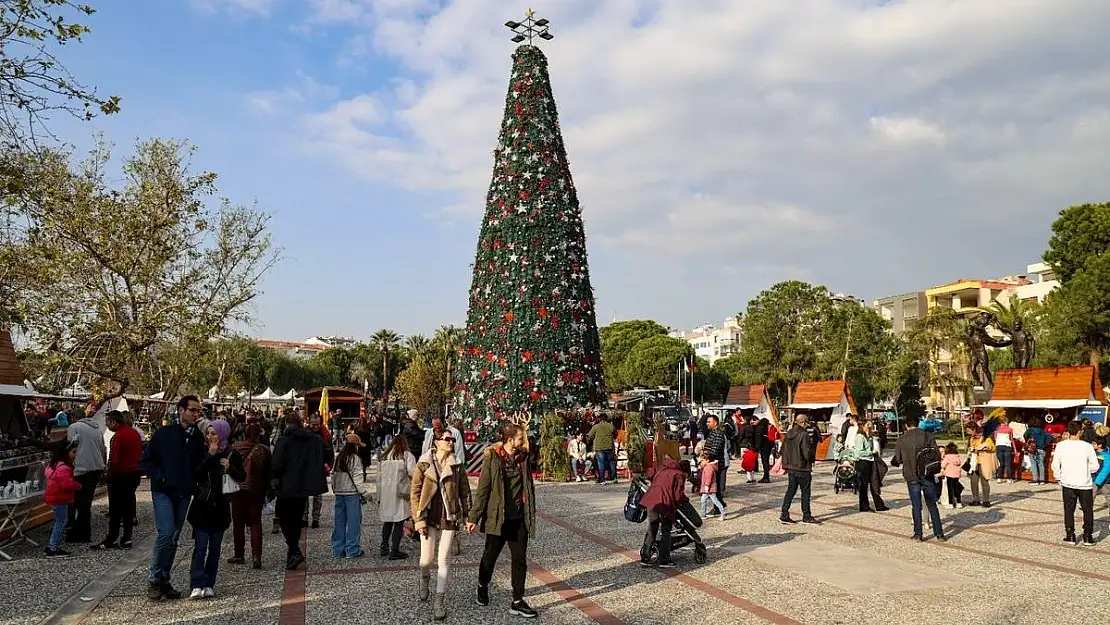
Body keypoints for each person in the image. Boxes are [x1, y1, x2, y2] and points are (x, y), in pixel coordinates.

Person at [466, 423, 538, 619]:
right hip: (498, 517)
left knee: (519, 559)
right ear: (509, 440)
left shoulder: (523, 457)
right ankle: (482, 584)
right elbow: (483, 489)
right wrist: (473, 517)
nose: (524, 441)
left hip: (518, 518)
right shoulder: (493, 457)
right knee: (490, 555)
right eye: (521, 438)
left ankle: (517, 600)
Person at [142, 395, 207, 601]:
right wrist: (159, 476)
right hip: (163, 490)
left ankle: (164, 578)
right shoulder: (165, 433)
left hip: (183, 491)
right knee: (165, 533)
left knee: (174, 537)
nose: (196, 414)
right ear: (181, 410)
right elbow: (147, 460)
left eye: (198, 411)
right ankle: (154, 578)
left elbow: (198, 466)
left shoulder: (197, 437)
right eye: (193, 410)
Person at [411, 427, 471, 621]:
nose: (451, 442)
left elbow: (465, 492)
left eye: (452, 439)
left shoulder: (457, 465)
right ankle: (424, 579)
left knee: (444, 559)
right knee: (426, 560)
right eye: (447, 439)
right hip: (428, 515)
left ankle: (439, 602)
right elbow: (415, 493)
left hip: (448, 516)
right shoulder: (423, 463)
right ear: (436, 442)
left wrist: (468, 516)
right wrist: (417, 519)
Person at [187, 420, 245, 599]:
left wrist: (230, 467)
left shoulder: (231, 453)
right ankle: (196, 583)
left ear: (223, 434)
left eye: (214, 433)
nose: (210, 437)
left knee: (215, 548)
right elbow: (196, 474)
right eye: (208, 433)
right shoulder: (203, 452)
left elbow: (242, 476)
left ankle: (209, 582)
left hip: (220, 507)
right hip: (202, 506)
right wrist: (209, 456)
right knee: (200, 546)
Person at [271, 412, 328, 571]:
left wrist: (274, 477)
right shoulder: (313, 439)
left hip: (287, 486)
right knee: (296, 520)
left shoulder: (284, 440)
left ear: (288, 424)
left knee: (284, 519)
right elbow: (327, 453)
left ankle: (294, 550)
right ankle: (292, 552)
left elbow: (276, 463)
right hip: (303, 486)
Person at [93, 410, 143, 550]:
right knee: (127, 508)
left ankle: (111, 538)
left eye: (108, 422)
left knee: (115, 509)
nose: (106, 425)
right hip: (134, 473)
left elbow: (114, 459)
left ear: (114, 422)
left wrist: (108, 475)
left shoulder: (118, 436)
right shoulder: (134, 433)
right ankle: (127, 538)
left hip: (121, 475)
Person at [890, 414, 945, 542]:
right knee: (932, 504)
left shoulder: (902, 439)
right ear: (918, 423)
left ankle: (918, 534)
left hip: (911, 474)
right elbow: (936, 453)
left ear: (906, 425)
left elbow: (898, 459)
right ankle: (939, 534)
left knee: (916, 505)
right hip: (927, 473)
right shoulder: (928, 436)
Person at [229, 423, 271, 569]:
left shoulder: (236, 447)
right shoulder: (264, 450)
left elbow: (230, 468)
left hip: (238, 488)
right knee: (255, 522)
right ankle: (256, 556)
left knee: (238, 522)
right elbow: (268, 472)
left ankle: (239, 554)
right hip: (256, 489)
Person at [1051, 420, 1099, 546]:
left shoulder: (1061, 445)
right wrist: (1085, 469)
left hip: (1068, 483)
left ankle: (1070, 535)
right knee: (1088, 510)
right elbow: (1095, 466)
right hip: (1084, 483)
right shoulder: (1087, 446)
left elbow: (1055, 464)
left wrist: (1059, 477)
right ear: (1080, 432)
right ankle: (1088, 536)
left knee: (1068, 510)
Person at [638, 455, 687, 569]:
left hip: (652, 501)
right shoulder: (678, 474)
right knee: (666, 531)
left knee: (652, 528)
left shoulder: (662, 470)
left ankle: (645, 557)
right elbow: (678, 495)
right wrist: (683, 501)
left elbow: (650, 476)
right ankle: (664, 560)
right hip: (665, 503)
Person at [65, 407, 106, 544]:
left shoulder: (74, 427)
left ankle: (80, 532)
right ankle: (83, 531)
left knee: (80, 502)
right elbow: (102, 448)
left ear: (73, 418)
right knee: (86, 501)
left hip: (82, 468)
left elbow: (71, 445)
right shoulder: (96, 428)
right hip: (96, 467)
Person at [331, 434, 370, 560]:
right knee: (353, 522)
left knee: (339, 522)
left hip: (339, 493)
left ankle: (338, 550)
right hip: (351, 494)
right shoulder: (355, 459)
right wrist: (364, 493)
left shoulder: (339, 458)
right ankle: (352, 549)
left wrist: (335, 489)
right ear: (355, 446)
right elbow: (358, 478)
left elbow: (333, 476)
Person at [378, 435, 416, 559]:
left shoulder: (385, 456)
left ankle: (384, 546)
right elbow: (413, 473)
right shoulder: (407, 456)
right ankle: (394, 549)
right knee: (399, 521)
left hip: (385, 492)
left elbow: (379, 477)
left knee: (388, 520)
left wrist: (379, 496)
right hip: (400, 492)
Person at [779, 413, 819, 525]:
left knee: (790, 492)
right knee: (805, 493)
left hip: (791, 467)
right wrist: (811, 459)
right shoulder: (803, 434)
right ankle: (806, 516)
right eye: (806, 423)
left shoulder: (789, 433)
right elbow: (807, 452)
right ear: (803, 422)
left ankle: (784, 514)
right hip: (802, 467)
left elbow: (783, 449)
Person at [44, 441, 82, 558]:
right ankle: (52, 547)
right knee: (61, 522)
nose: (75, 454)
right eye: (73, 452)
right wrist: (78, 485)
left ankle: (54, 545)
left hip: (55, 497)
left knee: (59, 521)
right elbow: (67, 485)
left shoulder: (55, 465)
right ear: (66, 452)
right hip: (60, 497)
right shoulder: (64, 468)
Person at [302, 414, 334, 529]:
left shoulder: (325, 433)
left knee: (317, 494)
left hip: (319, 467)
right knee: (304, 494)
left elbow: (330, 451)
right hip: (306, 468)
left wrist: (328, 465)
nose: (315, 427)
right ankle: (304, 518)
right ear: (309, 423)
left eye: (317, 424)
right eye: (313, 424)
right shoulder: (304, 433)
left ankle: (316, 518)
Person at [702, 415, 729, 511]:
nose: (707, 423)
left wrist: (706, 460)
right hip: (713, 463)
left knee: (715, 487)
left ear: (715, 423)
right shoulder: (712, 433)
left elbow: (715, 451)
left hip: (718, 464)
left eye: (709, 422)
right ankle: (720, 505)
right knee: (715, 487)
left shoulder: (718, 434)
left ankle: (718, 508)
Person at [967, 423, 996, 507]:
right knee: (973, 481)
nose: (968, 433)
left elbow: (992, 447)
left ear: (974, 429)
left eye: (969, 430)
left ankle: (986, 500)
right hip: (974, 462)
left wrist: (980, 448)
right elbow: (971, 447)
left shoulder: (985, 437)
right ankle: (975, 499)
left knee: (984, 481)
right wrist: (971, 449)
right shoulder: (972, 438)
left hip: (983, 462)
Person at [586, 413, 617, 484]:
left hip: (599, 447)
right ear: (606, 418)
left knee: (601, 463)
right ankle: (614, 478)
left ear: (599, 419)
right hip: (609, 446)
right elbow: (615, 434)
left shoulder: (596, 427)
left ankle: (602, 480)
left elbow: (589, 436)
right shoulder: (611, 426)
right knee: (611, 462)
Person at [697, 451, 726, 520]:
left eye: (702, 461)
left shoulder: (708, 468)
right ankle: (703, 514)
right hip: (708, 488)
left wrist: (707, 486)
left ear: (707, 460)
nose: (701, 462)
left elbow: (709, 478)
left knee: (714, 501)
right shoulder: (707, 466)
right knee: (703, 500)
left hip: (709, 488)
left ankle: (723, 512)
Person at [1024, 419, 1053, 485]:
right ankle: (1042, 480)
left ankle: (1035, 480)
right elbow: (1050, 437)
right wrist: (1044, 444)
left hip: (1032, 449)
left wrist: (1028, 441)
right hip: (1041, 449)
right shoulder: (1043, 431)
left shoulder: (1030, 430)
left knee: (1033, 464)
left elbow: (1025, 435)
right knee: (1041, 464)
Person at [940, 443, 965, 509]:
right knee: (956, 488)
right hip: (956, 475)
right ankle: (959, 503)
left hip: (949, 475)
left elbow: (943, 464)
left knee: (950, 489)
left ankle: (950, 503)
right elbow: (960, 463)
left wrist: (942, 468)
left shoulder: (947, 457)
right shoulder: (957, 456)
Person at [994, 416, 1015, 483]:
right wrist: (1015, 449)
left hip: (999, 446)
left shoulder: (996, 429)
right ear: (1006, 422)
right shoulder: (1009, 429)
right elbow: (1011, 439)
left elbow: (995, 438)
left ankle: (999, 478)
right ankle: (1009, 478)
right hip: (1007, 446)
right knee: (1007, 463)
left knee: (1001, 463)